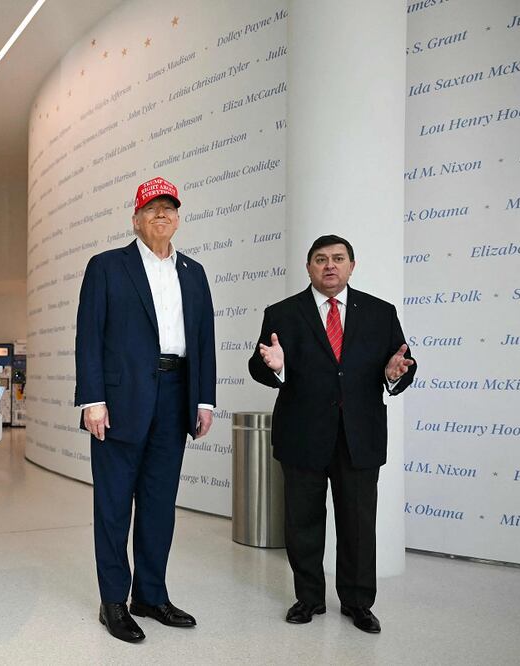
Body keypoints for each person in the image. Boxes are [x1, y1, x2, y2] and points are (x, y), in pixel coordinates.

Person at [248, 235, 417, 634]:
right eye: (321, 259)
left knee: (359, 523)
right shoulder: (283, 313)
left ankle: (358, 602)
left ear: (351, 266)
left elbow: (402, 361)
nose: (330, 266)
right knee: (302, 521)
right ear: (308, 267)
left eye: (338, 259)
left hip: (360, 435)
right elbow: (260, 367)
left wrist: (395, 375)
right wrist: (274, 366)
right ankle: (308, 598)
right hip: (302, 435)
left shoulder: (380, 312)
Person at [74, 176, 216, 643]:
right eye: (152, 208)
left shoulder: (193, 272)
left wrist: (204, 398)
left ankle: (150, 596)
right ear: (135, 219)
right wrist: (92, 399)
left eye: (169, 208)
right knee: (114, 504)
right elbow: (89, 337)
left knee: (158, 504)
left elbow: (204, 342)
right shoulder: (107, 267)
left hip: (175, 395)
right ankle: (113, 600)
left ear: (178, 218)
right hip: (120, 400)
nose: (162, 215)